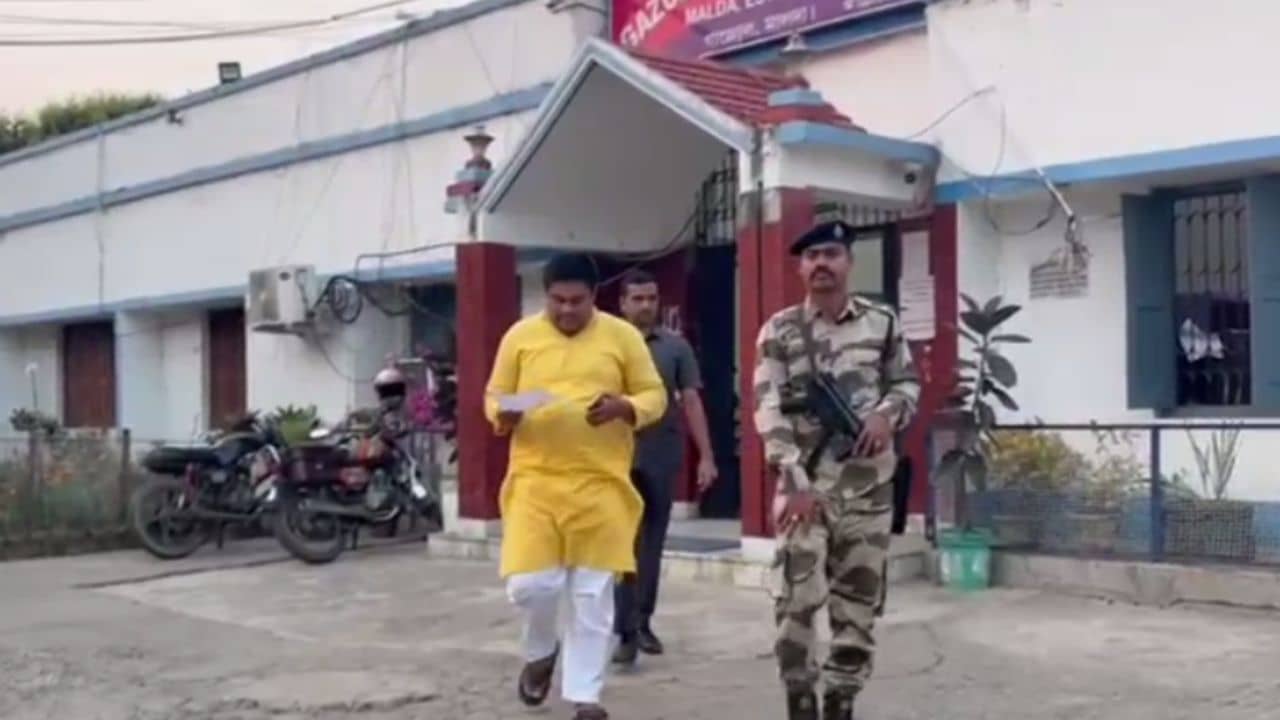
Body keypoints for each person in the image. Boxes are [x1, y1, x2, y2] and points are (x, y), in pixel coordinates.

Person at [484, 252, 668, 720]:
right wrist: (504, 413)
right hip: (536, 482)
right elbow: (494, 395)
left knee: (591, 596)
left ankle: (585, 697)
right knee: (531, 586)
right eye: (557, 301)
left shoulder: (621, 336)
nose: (566, 310)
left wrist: (625, 408)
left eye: (576, 301)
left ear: (595, 296)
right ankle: (541, 651)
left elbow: (654, 395)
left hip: (601, 484)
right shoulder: (520, 336)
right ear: (546, 296)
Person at [752, 220, 920, 720]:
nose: (821, 263)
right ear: (801, 268)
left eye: (830, 254)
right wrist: (792, 477)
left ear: (849, 261)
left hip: (869, 489)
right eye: (811, 257)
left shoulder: (882, 323)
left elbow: (907, 383)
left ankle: (842, 699)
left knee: (858, 604)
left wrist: (886, 415)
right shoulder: (780, 330)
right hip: (805, 488)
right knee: (797, 598)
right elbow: (767, 407)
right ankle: (800, 694)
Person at [610, 269, 717, 666]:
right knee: (622, 544)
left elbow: (691, 400)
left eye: (651, 298)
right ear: (622, 303)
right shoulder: (607, 344)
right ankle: (623, 630)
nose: (646, 306)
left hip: (660, 454)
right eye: (637, 299)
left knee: (651, 544)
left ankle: (642, 622)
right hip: (616, 456)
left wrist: (706, 455)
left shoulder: (676, 347)